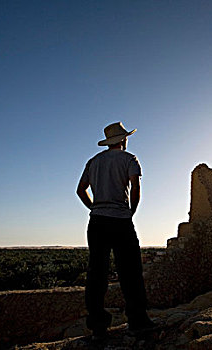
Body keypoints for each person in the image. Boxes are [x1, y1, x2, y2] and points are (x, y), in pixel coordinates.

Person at [76, 122, 154, 338]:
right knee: (130, 271)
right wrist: (131, 211)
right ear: (123, 139)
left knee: (96, 273)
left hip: (97, 222)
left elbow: (80, 190)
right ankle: (138, 320)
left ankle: (98, 326)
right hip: (120, 220)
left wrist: (94, 206)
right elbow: (135, 187)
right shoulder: (129, 159)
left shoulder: (93, 162)